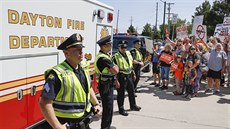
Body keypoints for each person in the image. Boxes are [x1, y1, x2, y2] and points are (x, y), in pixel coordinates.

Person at [39, 33, 102, 129]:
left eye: (81, 49)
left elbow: (88, 89)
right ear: (66, 53)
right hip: (66, 124)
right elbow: (44, 102)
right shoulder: (57, 74)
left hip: (84, 122)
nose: (81, 52)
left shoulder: (82, 69)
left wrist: (96, 104)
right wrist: (57, 126)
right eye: (77, 50)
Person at [94, 35, 119, 129]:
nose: (111, 46)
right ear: (104, 46)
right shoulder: (103, 58)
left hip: (107, 84)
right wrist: (115, 67)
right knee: (108, 108)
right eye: (109, 44)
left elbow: (114, 70)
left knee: (109, 107)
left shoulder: (105, 56)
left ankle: (107, 126)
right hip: (105, 86)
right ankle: (105, 127)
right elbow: (116, 70)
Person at [113, 40, 141, 116]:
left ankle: (133, 105)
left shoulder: (128, 53)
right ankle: (121, 109)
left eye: (125, 47)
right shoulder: (115, 56)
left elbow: (130, 64)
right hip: (121, 77)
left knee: (131, 91)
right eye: (122, 48)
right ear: (119, 47)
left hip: (129, 75)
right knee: (121, 94)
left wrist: (133, 73)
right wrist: (116, 80)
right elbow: (113, 70)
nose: (124, 49)